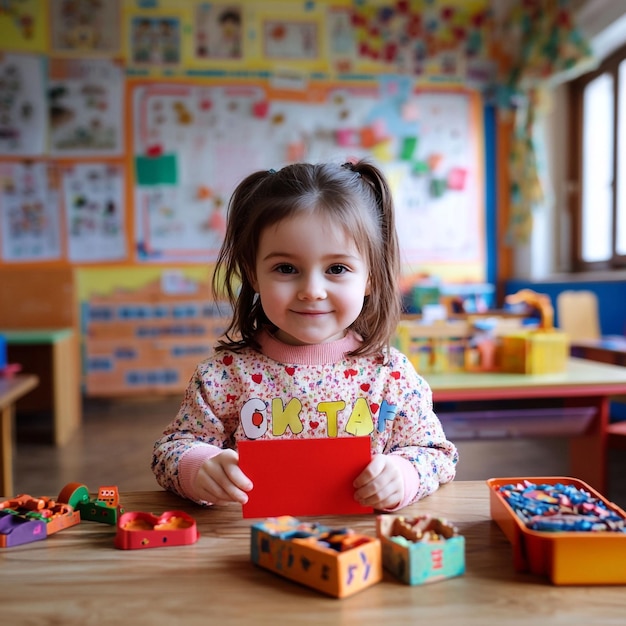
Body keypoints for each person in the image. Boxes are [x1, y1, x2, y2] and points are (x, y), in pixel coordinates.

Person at [152, 159, 458, 511]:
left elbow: (436, 454)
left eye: (337, 269)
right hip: (251, 547)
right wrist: (199, 467)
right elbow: (171, 449)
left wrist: (404, 475)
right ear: (253, 274)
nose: (312, 290)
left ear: (371, 276)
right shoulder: (223, 376)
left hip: (360, 551)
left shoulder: (391, 376)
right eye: (286, 268)